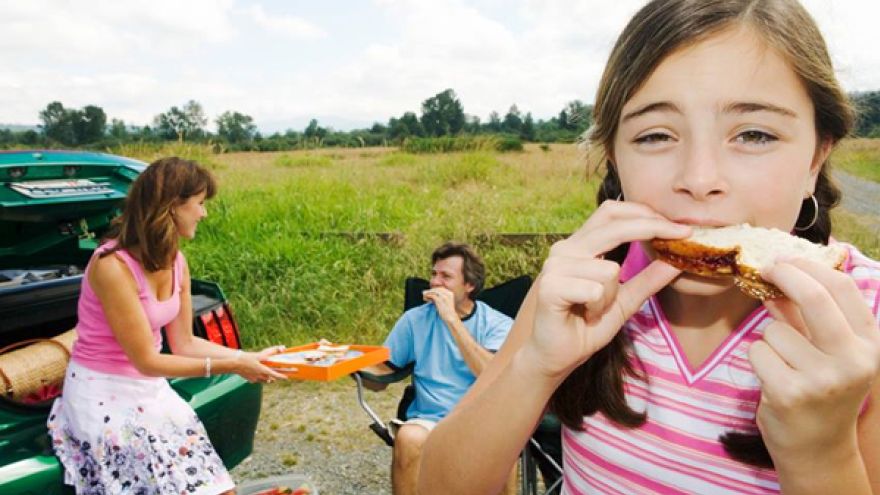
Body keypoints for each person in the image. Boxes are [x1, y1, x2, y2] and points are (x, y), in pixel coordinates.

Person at [420, 1, 880, 494]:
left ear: (816, 155)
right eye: (656, 135)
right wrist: (535, 367)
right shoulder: (581, 288)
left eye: (754, 134)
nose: (699, 179)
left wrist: (821, 452)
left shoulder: (864, 323)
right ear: (615, 158)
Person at [47, 157, 289, 495]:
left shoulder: (176, 261)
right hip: (103, 393)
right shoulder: (111, 266)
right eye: (199, 204)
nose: (203, 213)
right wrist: (233, 365)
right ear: (172, 206)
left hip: (148, 389)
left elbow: (185, 343)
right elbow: (146, 359)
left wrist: (247, 356)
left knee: (218, 488)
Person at [362, 242, 515, 495]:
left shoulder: (497, 324)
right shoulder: (415, 319)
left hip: (482, 420)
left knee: (505, 444)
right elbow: (380, 379)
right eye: (434, 274)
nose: (434, 282)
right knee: (408, 438)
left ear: (470, 286)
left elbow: (493, 375)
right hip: (429, 419)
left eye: (446, 276)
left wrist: (452, 321)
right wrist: (347, 362)